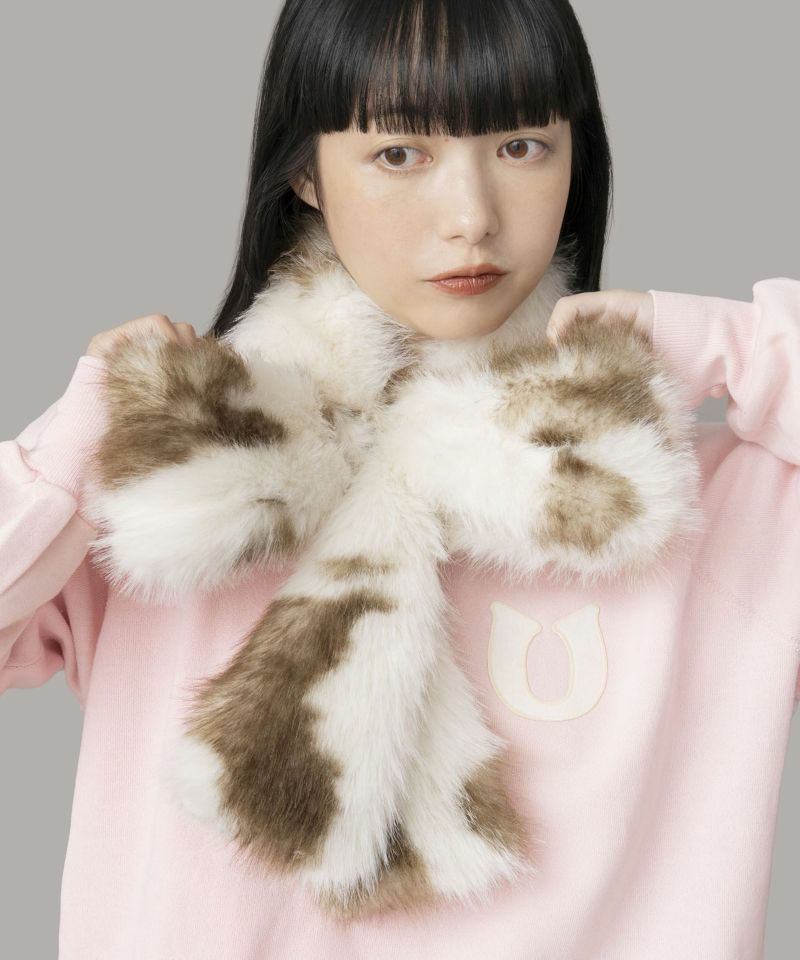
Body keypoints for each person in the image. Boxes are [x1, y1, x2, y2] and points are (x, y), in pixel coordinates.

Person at [1, 0, 797, 956]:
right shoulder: (175, 484)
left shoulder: (700, 503)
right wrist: (80, 437)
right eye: (400, 154)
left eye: (522, 147)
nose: (472, 218)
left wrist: (712, 344)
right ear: (305, 171)